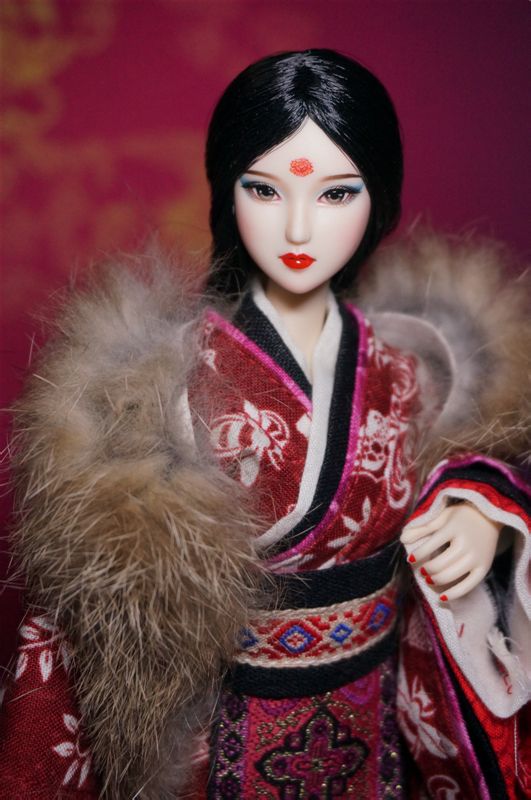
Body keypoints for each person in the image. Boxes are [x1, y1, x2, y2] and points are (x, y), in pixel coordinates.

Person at [1, 49, 529, 799]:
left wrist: (486, 514)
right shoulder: (157, 386)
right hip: (219, 735)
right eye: (264, 189)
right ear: (228, 191)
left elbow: (481, 473)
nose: (299, 226)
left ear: (377, 198)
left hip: (379, 723)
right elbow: (79, 628)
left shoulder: (421, 368)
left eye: (336, 193)